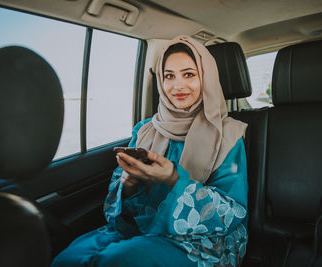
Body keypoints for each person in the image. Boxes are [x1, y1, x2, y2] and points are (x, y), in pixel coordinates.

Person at [52, 35, 248, 267]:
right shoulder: (145, 130)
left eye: (189, 74)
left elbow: (234, 211)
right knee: (68, 260)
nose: (178, 86)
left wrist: (174, 179)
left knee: (119, 261)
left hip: (203, 239)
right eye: (169, 76)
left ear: (206, 78)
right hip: (140, 224)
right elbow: (119, 202)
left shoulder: (229, 134)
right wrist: (128, 183)